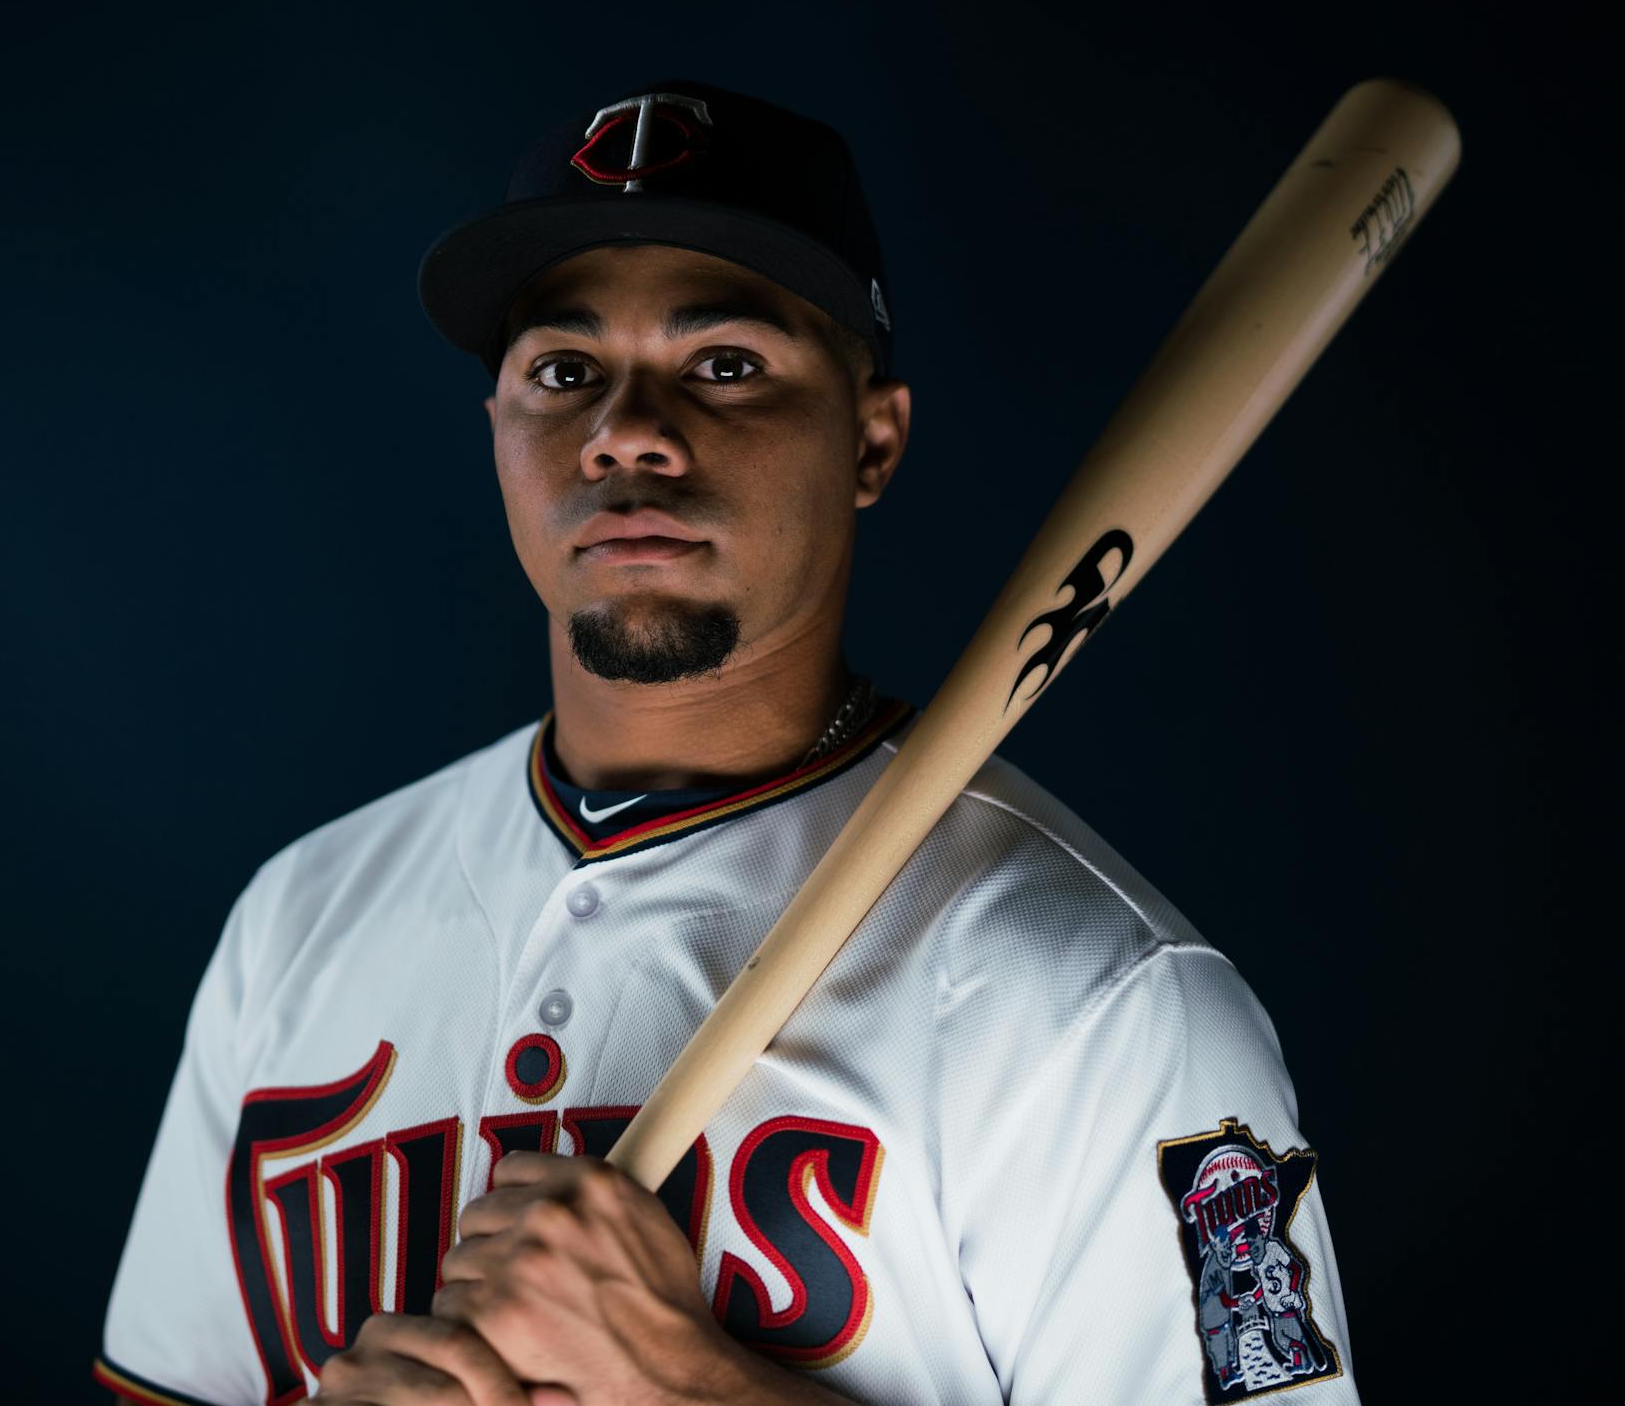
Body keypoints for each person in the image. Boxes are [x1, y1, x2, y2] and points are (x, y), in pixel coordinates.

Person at [95, 78, 1359, 1406]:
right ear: (497, 431)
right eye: (565, 372)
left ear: (872, 440)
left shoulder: (1104, 999)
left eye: (726, 365)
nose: (625, 433)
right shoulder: (298, 922)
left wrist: (690, 1385)